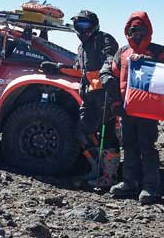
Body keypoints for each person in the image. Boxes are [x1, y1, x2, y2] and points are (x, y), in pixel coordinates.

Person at [40, 10, 119, 188]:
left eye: (85, 26)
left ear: (94, 26)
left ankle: (109, 176)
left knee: (107, 136)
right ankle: (96, 168)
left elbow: (110, 60)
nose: (82, 30)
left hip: (105, 94)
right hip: (89, 97)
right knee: (82, 132)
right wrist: (58, 68)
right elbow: (78, 69)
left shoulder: (104, 39)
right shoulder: (82, 48)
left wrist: (105, 78)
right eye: (78, 26)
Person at [101, 11, 164, 204]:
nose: (137, 34)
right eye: (133, 30)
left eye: (141, 30)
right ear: (128, 31)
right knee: (129, 145)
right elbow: (111, 71)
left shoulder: (159, 51)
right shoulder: (123, 52)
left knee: (147, 147)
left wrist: (149, 63)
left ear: (148, 30)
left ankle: (151, 187)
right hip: (126, 109)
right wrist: (113, 95)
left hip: (149, 110)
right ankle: (130, 183)